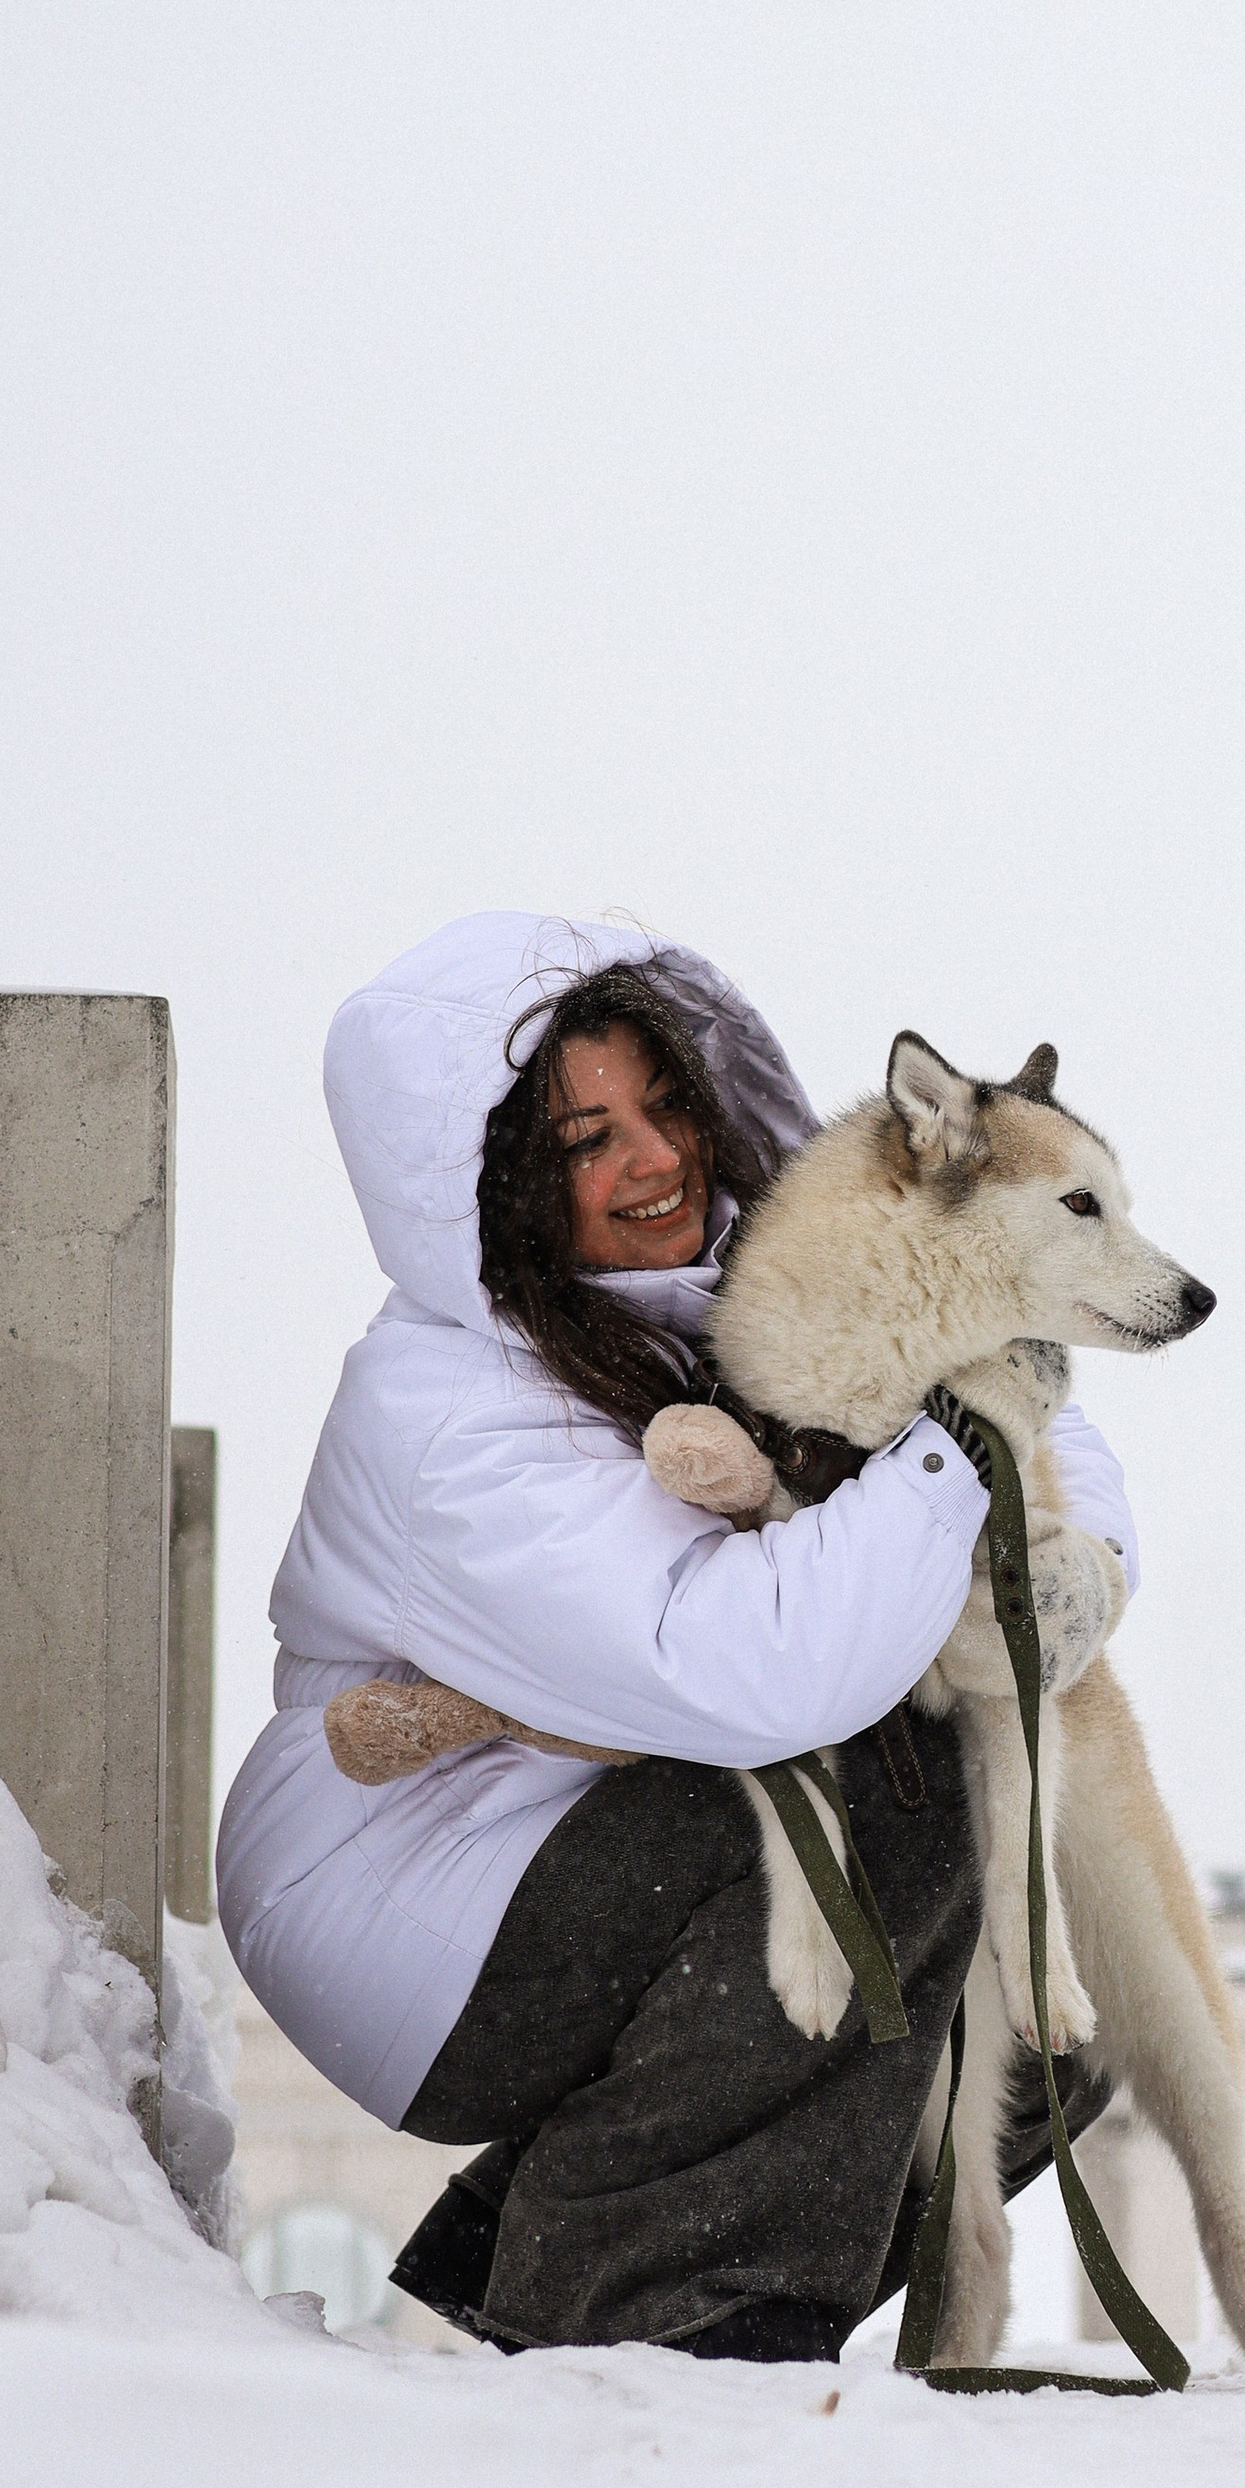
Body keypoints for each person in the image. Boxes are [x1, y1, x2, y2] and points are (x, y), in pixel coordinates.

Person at [215, 911, 1140, 2362]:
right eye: (585, 1139)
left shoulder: (734, 1288)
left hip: (576, 1830)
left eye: (664, 1108)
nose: (654, 1160)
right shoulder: (451, 1409)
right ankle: (668, 2318)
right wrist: (970, 1448)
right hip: (407, 1885)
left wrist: (1079, 1568)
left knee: (1042, 1993)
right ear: (500, 1183)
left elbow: (1037, 1432)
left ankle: (570, 2245)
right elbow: (748, 1667)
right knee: (898, 1799)